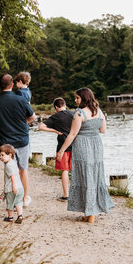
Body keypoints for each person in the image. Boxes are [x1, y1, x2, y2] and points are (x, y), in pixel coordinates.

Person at [56, 87, 114, 223]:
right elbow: (103, 130)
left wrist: (62, 150)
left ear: (84, 98)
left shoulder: (79, 113)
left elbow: (72, 134)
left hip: (83, 145)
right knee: (95, 176)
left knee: (84, 177)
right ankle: (90, 212)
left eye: (77, 98)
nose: (75, 100)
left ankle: (90, 213)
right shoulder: (99, 112)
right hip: (96, 145)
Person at [0, 73, 36, 206]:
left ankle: (12, 200)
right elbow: (32, 117)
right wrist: (22, 122)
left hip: (4, 142)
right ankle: (24, 198)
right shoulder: (21, 99)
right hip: (22, 139)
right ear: (13, 85)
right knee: (23, 170)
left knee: (9, 171)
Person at [38, 97, 73, 201]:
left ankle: (66, 195)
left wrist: (54, 130)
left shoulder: (55, 116)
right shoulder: (73, 114)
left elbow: (41, 127)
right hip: (75, 145)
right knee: (76, 171)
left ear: (56, 107)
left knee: (65, 171)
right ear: (65, 105)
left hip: (63, 146)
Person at [0, 144, 24, 224]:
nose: (1, 157)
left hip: (12, 188)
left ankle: (10, 217)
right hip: (20, 187)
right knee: (18, 202)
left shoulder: (8, 166)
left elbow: (13, 177)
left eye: (3, 155)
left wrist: (13, 187)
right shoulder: (13, 162)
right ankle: (20, 216)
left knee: (10, 203)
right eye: (0, 155)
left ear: (10, 155)